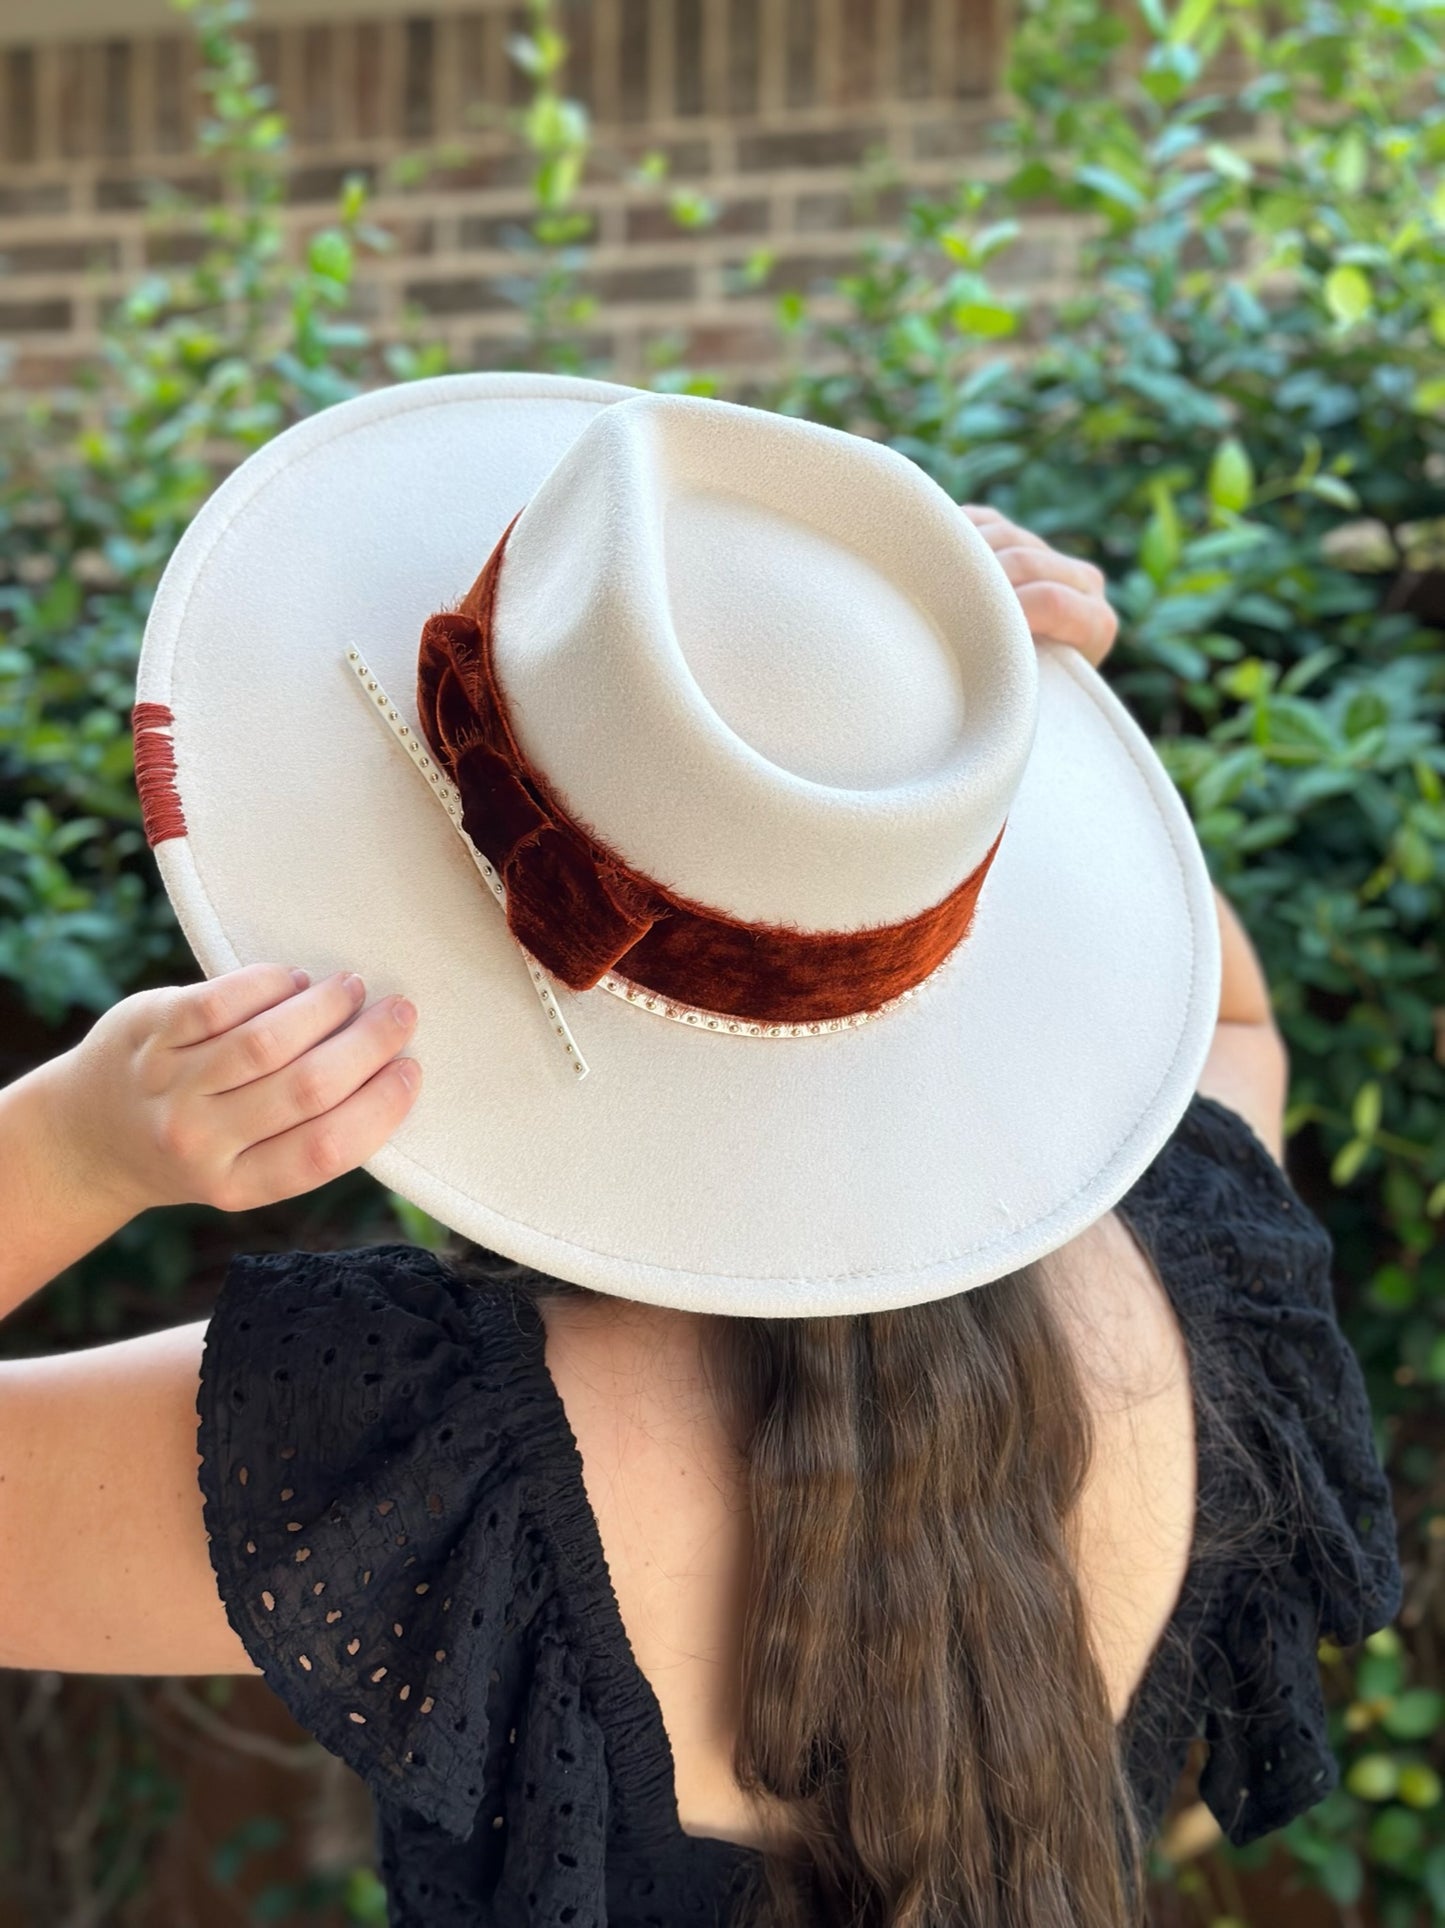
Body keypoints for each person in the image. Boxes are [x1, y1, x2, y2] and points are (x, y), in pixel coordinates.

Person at [0, 377, 1401, 1928]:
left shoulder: (439, 1459)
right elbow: (1233, 1024)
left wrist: (74, 1148)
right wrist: (1007, 716)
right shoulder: (1195, 1266)